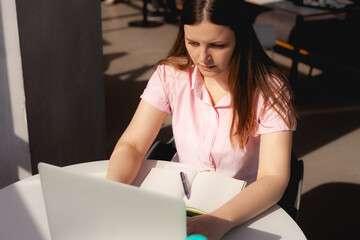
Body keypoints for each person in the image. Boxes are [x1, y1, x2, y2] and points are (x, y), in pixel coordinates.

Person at [106, 0, 297, 239]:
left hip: (240, 209)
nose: (203, 57)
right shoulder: (171, 74)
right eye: (193, 43)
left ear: (241, 37)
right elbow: (132, 145)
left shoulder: (270, 91)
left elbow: (274, 177)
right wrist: (113, 191)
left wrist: (220, 220)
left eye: (217, 45)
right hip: (180, 199)